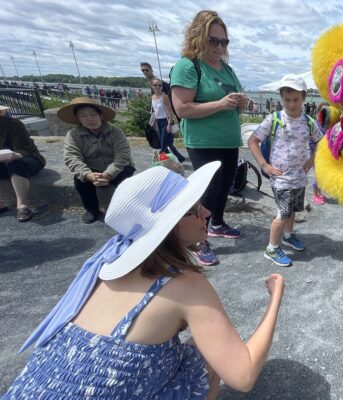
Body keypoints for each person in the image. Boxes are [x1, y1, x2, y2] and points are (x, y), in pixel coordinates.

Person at [2, 163, 285, 399]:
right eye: (193, 209)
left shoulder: (105, 264)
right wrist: (274, 300)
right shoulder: (185, 284)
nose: (207, 213)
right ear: (169, 225)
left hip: (32, 388)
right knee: (206, 354)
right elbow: (243, 376)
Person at [171, 10, 250, 267]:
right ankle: (197, 241)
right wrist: (220, 104)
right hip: (203, 141)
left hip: (228, 139)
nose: (219, 46)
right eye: (213, 40)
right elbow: (182, 108)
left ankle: (216, 223)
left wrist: (241, 104)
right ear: (198, 37)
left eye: (223, 41)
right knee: (208, 189)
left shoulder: (226, 69)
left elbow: (232, 105)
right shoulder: (188, 65)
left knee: (225, 184)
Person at [248, 75, 323, 267]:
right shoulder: (274, 119)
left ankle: (289, 236)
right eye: (287, 99)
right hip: (280, 178)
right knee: (282, 213)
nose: (291, 104)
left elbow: (321, 142)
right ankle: (272, 248)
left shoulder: (308, 122)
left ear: (304, 98)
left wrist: (311, 159)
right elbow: (253, 141)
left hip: (299, 176)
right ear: (282, 98)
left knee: (292, 211)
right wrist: (264, 164)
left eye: (295, 99)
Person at [60, 97, 136, 224]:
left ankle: (127, 206)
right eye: (83, 116)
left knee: (126, 177)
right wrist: (88, 174)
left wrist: (109, 173)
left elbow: (122, 155)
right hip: (92, 170)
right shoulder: (73, 135)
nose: (89, 119)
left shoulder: (116, 132)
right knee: (80, 181)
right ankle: (91, 209)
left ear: (101, 115)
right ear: (78, 119)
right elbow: (71, 157)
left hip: (117, 167)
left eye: (93, 114)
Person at [0, 105, 46, 222]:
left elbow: (24, 149)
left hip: (26, 158)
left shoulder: (13, 124)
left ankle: (23, 205)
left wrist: (12, 155)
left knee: (14, 163)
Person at [151, 78, 186, 162]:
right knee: (168, 144)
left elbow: (170, 111)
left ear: (162, 87)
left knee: (163, 144)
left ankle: (161, 160)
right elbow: (155, 110)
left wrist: (169, 124)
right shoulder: (152, 97)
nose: (157, 87)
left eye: (159, 85)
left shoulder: (165, 97)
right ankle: (180, 158)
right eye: (155, 85)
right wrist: (154, 122)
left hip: (165, 122)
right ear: (152, 86)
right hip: (158, 122)